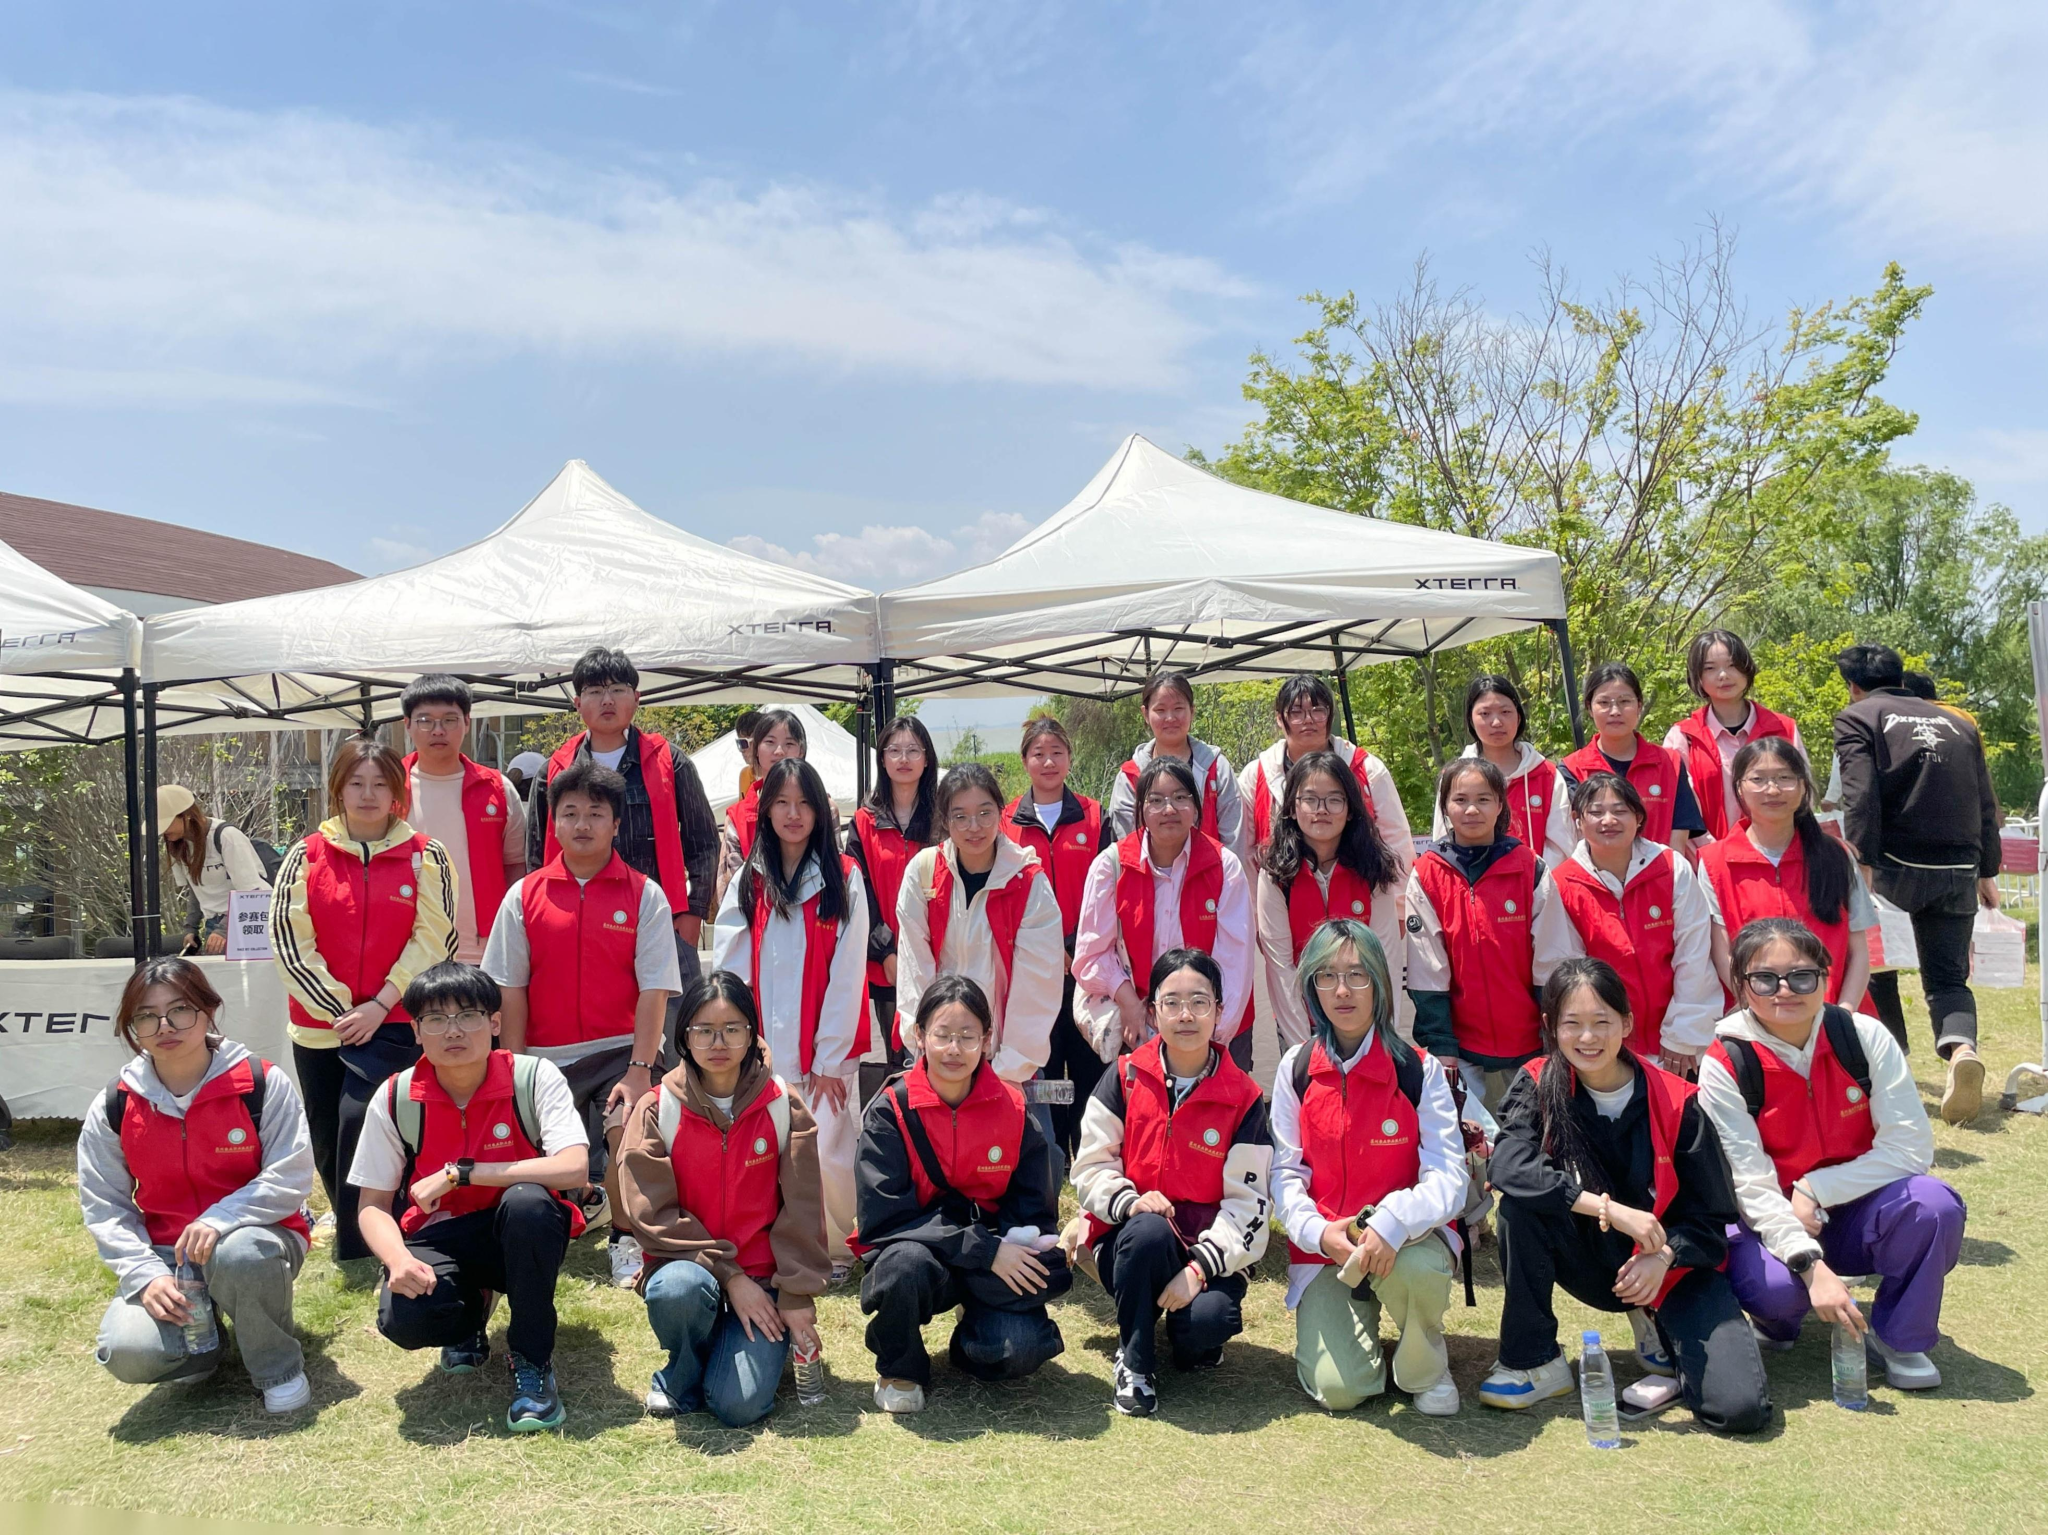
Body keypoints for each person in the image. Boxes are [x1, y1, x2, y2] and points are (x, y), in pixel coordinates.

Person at [1481, 959, 1769, 1432]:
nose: (1587, 1038)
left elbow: (1710, 1220)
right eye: (1572, 1024)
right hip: (1589, 1253)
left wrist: (1664, 1257)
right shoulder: (1537, 1081)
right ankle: (1534, 1360)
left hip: (1669, 1265)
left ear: (1627, 1023)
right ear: (1551, 1026)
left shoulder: (1678, 1100)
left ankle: (1657, 1324)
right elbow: (1508, 1165)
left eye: (1602, 1022)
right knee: (1519, 1207)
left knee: (1737, 1409)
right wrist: (1608, 1210)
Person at [1700, 918, 1965, 1391]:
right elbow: (1750, 1184)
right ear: (1740, 984)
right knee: (1776, 1292)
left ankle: (1900, 1337)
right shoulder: (1725, 1060)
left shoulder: (1862, 1036)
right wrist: (1808, 1263)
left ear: (1826, 977)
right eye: (1765, 979)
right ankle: (1777, 1322)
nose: (1785, 990)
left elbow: (1910, 1148)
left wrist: (1815, 1187)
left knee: (1933, 1205)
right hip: (1769, 1216)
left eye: (1802, 976)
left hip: (1856, 1208)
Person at [350, 962, 590, 1433]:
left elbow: (573, 1167)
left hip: (522, 1232)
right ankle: (471, 1313)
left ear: (495, 1023)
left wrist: (460, 1174)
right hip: (443, 1236)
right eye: (436, 1019)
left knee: (527, 1202)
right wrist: (398, 1260)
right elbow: (372, 1205)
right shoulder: (396, 1096)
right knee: (406, 1318)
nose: (453, 1030)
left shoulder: (532, 1077)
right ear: (416, 1031)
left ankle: (532, 1361)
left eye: (468, 1015)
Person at [77, 958, 316, 1413]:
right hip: (169, 1255)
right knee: (128, 1352)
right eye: (146, 1016)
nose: (165, 1026)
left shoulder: (260, 1082)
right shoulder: (115, 1104)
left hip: (258, 1238)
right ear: (132, 1028)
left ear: (209, 1011)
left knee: (240, 1254)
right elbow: (104, 1206)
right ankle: (202, 1347)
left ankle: (278, 1369)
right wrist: (145, 1274)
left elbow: (291, 1175)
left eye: (180, 1010)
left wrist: (221, 1219)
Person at [484, 761, 682, 1288]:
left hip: (621, 1050)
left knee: (626, 1131)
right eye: (570, 813)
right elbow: (510, 990)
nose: (583, 824)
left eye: (596, 813)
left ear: (616, 824)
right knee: (532, 1148)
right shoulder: (523, 895)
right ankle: (566, 1213)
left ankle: (625, 1236)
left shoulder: (645, 894)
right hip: (543, 1056)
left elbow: (654, 989)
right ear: (553, 823)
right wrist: (514, 1066)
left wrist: (639, 1069)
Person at [270, 736, 456, 1263]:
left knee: (368, 1122)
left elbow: (435, 940)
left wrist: (380, 1005)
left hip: (394, 1022)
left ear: (397, 792)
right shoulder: (305, 855)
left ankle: (376, 1237)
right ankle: (354, 1227)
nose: (368, 795)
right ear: (338, 790)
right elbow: (289, 940)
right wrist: (341, 1011)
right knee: (328, 1135)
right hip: (320, 1027)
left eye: (380, 784)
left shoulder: (426, 856)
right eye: (357, 783)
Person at [616, 972, 829, 1426]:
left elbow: (804, 1208)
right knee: (679, 1290)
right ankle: (682, 1372)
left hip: (764, 1279)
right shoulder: (656, 1109)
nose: (719, 1043)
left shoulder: (782, 1104)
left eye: (732, 1028)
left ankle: (745, 1350)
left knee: (738, 1406)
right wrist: (730, 1277)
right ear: (684, 1036)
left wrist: (795, 1293)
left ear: (752, 1034)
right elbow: (652, 1216)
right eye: (704, 1030)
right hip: (689, 1268)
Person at [1270, 922, 1465, 1416]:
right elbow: (1285, 1174)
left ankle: (1425, 1367)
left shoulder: (1418, 1070)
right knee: (1340, 1391)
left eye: (1357, 975)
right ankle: (1363, 1344)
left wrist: (1393, 1223)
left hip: (1408, 1243)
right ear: (1312, 987)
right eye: (1328, 976)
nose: (1343, 990)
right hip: (1328, 1250)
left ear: (1379, 982)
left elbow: (1449, 1177)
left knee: (1416, 1270)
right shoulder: (1295, 1068)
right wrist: (1318, 1233)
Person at [1069, 949, 1272, 1416]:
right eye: (1172, 1002)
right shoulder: (1124, 1075)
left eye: (1199, 1002)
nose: (1185, 1015)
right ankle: (1135, 1362)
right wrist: (1129, 1202)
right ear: (1151, 1011)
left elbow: (1250, 1205)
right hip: (1135, 1241)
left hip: (1206, 1247)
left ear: (1219, 1011)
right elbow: (1090, 1165)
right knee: (1148, 1230)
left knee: (1205, 1327)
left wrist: (1198, 1270)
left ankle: (1189, 1335)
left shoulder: (1244, 1097)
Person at [855, 976, 1071, 1413]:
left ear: (987, 1040)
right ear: (919, 1036)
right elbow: (886, 1218)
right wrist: (982, 1250)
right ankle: (899, 1367)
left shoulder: (1013, 1109)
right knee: (901, 1267)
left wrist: (1015, 1244)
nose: (954, 1049)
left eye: (968, 1036)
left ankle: (973, 1338)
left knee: (1021, 1350)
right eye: (942, 1035)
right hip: (922, 1252)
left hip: (990, 1257)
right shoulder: (889, 1111)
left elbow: (1033, 1207)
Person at [712, 758, 869, 1282]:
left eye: (804, 803)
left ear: (821, 811)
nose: (793, 814)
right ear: (766, 811)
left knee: (825, 1151)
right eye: (781, 802)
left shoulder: (844, 877)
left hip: (823, 1052)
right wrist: (739, 1044)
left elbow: (848, 975)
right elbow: (730, 969)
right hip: (760, 1053)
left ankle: (835, 1249)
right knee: (763, 1152)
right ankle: (766, 1247)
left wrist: (830, 1057)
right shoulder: (749, 878)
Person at [1833, 642, 2002, 1123]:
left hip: (1893, 867)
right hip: (1958, 867)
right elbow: (1985, 801)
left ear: (1853, 686)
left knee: (1877, 967)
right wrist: (1988, 870)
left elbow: (1860, 795)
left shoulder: (1859, 716)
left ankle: (1894, 1064)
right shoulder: (1958, 722)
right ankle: (1961, 1050)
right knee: (1948, 977)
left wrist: (1861, 862)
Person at [524, 646, 718, 1015]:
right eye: (595, 691)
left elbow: (704, 842)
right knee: (593, 1025)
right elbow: (536, 853)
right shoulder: (556, 770)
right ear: (578, 703)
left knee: (675, 1030)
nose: (607, 700)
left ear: (636, 698)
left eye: (618, 689)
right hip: (577, 925)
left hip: (661, 923)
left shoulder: (669, 761)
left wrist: (693, 912)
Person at [894, 763, 1067, 1161]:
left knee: (1025, 1167)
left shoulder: (1027, 881)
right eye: (960, 816)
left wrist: (1008, 1068)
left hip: (1009, 1056)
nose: (974, 827)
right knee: (937, 1165)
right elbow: (914, 970)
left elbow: (1038, 984)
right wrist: (928, 1048)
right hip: (940, 1055)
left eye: (985, 813)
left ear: (1001, 813)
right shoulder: (924, 874)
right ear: (944, 820)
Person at [1404, 757, 1573, 1110]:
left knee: (1532, 1136)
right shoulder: (1428, 873)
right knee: (1472, 1140)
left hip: (1530, 1045)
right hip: (1461, 1050)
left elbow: (1552, 960)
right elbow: (1427, 969)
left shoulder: (1529, 867)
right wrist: (1441, 1044)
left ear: (1500, 804)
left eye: (1483, 799)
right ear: (1445, 807)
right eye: (1460, 799)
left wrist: (1553, 1035)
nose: (1472, 810)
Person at [1074, 757, 1255, 1068]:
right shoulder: (1111, 866)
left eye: (1180, 797)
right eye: (1156, 800)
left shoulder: (1224, 866)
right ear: (1141, 809)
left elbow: (1235, 965)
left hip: (1215, 1030)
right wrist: (1129, 1002)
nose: (1169, 809)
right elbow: (1091, 956)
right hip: (1137, 1026)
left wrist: (1206, 1038)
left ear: (1196, 807)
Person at [1551, 772, 1719, 1074]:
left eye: (1620, 810)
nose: (1608, 820)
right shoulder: (1563, 884)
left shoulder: (1671, 868)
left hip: (1682, 1044)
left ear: (1639, 818)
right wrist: (1603, 1039)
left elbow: (1694, 955)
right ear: (1578, 821)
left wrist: (1682, 1034)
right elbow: (1573, 974)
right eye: (1596, 812)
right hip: (1607, 1047)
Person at [1698, 737, 1875, 1016]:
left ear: (1803, 786)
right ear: (1739, 788)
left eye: (1785, 778)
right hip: (1755, 1016)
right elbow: (1723, 953)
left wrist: (1844, 1013)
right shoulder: (1713, 863)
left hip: (1836, 1015)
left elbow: (1859, 951)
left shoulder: (1836, 856)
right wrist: (1761, 1012)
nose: (1773, 789)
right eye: (1758, 779)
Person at [1001, 715, 1106, 1155]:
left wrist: (1073, 949)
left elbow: (1107, 891)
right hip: (1031, 969)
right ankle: (1051, 1151)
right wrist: (1048, 951)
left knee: (1088, 1062)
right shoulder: (1005, 821)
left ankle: (1089, 1150)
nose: (1048, 762)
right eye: (1038, 754)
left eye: (1056, 753)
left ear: (1069, 758)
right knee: (1042, 1062)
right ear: (1024, 760)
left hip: (1086, 966)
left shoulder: (1094, 816)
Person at [1256, 750, 1404, 1056]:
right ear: (1291, 808)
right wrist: (1302, 1052)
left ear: (1350, 809)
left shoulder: (1374, 869)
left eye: (1334, 799)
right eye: (1310, 799)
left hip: (1364, 1025)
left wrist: (1381, 1037)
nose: (1321, 810)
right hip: (1301, 1023)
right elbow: (1281, 968)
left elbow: (1385, 959)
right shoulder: (1275, 875)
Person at [400, 675, 528, 966]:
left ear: (467, 722)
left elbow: (516, 866)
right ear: (407, 724)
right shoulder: (390, 787)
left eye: (449, 720)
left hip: (483, 949)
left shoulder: (497, 788)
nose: (438, 730)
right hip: (406, 949)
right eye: (425, 721)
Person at [1238, 672, 1416, 874]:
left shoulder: (1366, 768)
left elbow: (1397, 839)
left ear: (1330, 715)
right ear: (1279, 718)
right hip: (1281, 886)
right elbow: (1245, 850)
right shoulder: (1256, 775)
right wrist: (1260, 894)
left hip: (1360, 886)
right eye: (1296, 713)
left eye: (1318, 711)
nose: (1308, 720)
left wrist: (1394, 893)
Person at [846, 715, 941, 1072]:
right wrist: (885, 950)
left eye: (913, 750)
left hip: (938, 956)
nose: (904, 758)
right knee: (899, 1059)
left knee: (940, 1052)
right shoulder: (864, 821)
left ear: (927, 759)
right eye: (894, 750)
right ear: (882, 759)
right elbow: (859, 892)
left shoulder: (943, 818)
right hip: (885, 965)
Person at [1662, 630, 1805, 845]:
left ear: (1746, 668)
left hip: (1777, 855)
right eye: (1710, 668)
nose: (1723, 675)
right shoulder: (1683, 737)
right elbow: (1679, 810)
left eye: (1732, 665)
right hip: (1704, 859)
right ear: (1697, 677)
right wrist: (1715, 853)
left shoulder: (1783, 729)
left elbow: (1803, 797)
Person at [1103, 671, 1250, 865]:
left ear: (1192, 711)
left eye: (1178, 708)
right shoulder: (1131, 776)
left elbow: (1234, 838)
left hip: (1211, 877)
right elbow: (1125, 843)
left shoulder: (1216, 768)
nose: (1170, 718)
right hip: (1148, 878)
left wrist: (1228, 877)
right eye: (1160, 710)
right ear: (1145, 714)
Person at [1560, 661, 1704, 855]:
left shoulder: (1670, 762)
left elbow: (1678, 837)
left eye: (1624, 701)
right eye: (1604, 703)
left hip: (1661, 871)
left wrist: (1668, 872)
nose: (1615, 711)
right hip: (1598, 873)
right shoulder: (1571, 768)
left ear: (1639, 705)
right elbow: (1574, 836)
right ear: (1589, 708)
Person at [1431, 676, 1572, 866]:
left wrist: (1536, 880)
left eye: (1505, 712)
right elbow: (1443, 841)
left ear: (1519, 716)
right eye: (1485, 713)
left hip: (1534, 882)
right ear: (1471, 719)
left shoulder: (1547, 775)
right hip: (1471, 882)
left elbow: (1561, 847)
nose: (1496, 722)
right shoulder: (1454, 777)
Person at [160, 785, 275, 956]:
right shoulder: (177, 845)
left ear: (186, 815)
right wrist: (191, 928)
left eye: (165, 823)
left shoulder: (226, 836)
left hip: (250, 920)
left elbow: (250, 891)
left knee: (252, 972)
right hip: (215, 923)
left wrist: (224, 929)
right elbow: (195, 888)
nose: (162, 831)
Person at [716, 707, 808, 907]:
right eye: (770, 742)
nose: (779, 751)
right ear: (756, 749)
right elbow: (729, 893)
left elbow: (835, 874)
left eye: (789, 743)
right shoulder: (738, 817)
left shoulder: (824, 809)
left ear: (801, 750)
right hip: (756, 919)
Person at [732, 708, 766, 798]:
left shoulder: (780, 775)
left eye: (744, 743)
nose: (742, 750)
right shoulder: (744, 774)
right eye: (739, 743)